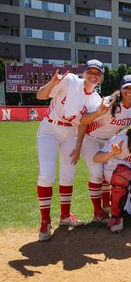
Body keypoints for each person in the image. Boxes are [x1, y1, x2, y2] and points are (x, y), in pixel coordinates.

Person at [35, 59, 104, 241]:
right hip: (50, 129)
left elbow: (83, 123)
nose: (93, 75)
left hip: (70, 134)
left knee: (68, 175)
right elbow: (41, 96)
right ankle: (45, 221)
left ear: (102, 77)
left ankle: (65, 216)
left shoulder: (96, 99)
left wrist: (79, 145)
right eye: (90, 71)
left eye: (97, 73)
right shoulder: (71, 80)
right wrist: (52, 83)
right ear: (84, 72)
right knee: (47, 176)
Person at [77, 74, 131, 221]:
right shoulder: (108, 102)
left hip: (109, 140)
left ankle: (106, 204)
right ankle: (97, 211)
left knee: (107, 172)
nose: (130, 91)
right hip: (91, 139)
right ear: (121, 88)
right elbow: (83, 120)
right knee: (97, 173)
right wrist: (99, 112)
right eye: (127, 87)